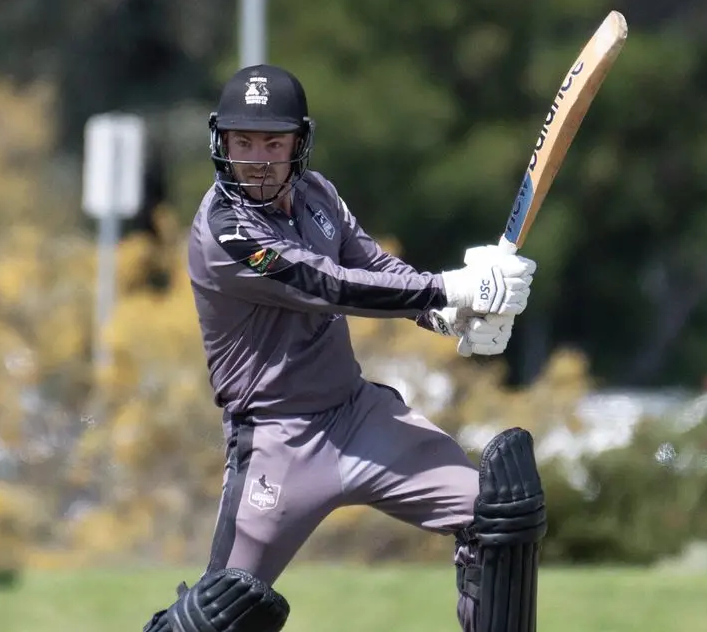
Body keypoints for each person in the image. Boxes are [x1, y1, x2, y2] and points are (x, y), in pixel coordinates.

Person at [141, 65, 548, 632]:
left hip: (357, 416)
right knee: (214, 617)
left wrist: (445, 315)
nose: (257, 158)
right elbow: (328, 283)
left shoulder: (317, 195)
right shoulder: (226, 231)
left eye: (273, 142)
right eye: (243, 142)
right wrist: (450, 286)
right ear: (222, 143)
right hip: (277, 442)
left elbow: (373, 266)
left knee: (501, 516)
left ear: (298, 144)